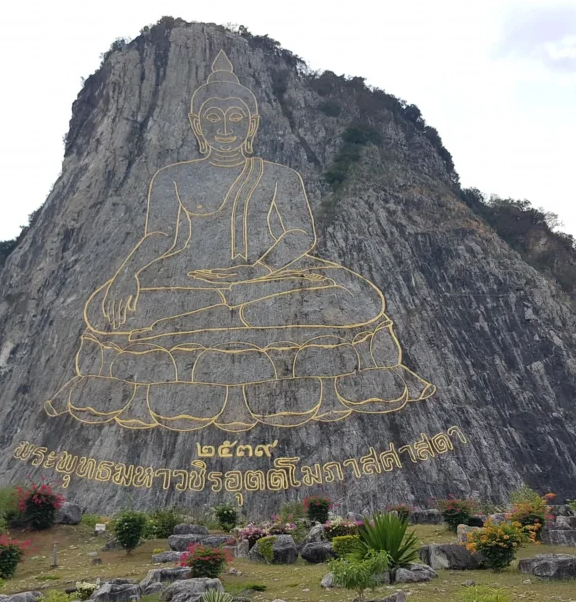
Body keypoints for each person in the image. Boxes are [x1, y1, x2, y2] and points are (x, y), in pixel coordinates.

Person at [45, 51, 434, 432]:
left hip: (270, 281)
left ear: (252, 123)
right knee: (109, 308)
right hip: (192, 280)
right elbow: (161, 235)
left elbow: (300, 234)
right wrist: (128, 274)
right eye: (213, 119)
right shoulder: (174, 177)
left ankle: (215, 323)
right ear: (197, 124)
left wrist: (259, 269)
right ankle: (221, 320)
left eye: (236, 119)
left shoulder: (279, 176)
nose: (225, 130)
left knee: (355, 299)